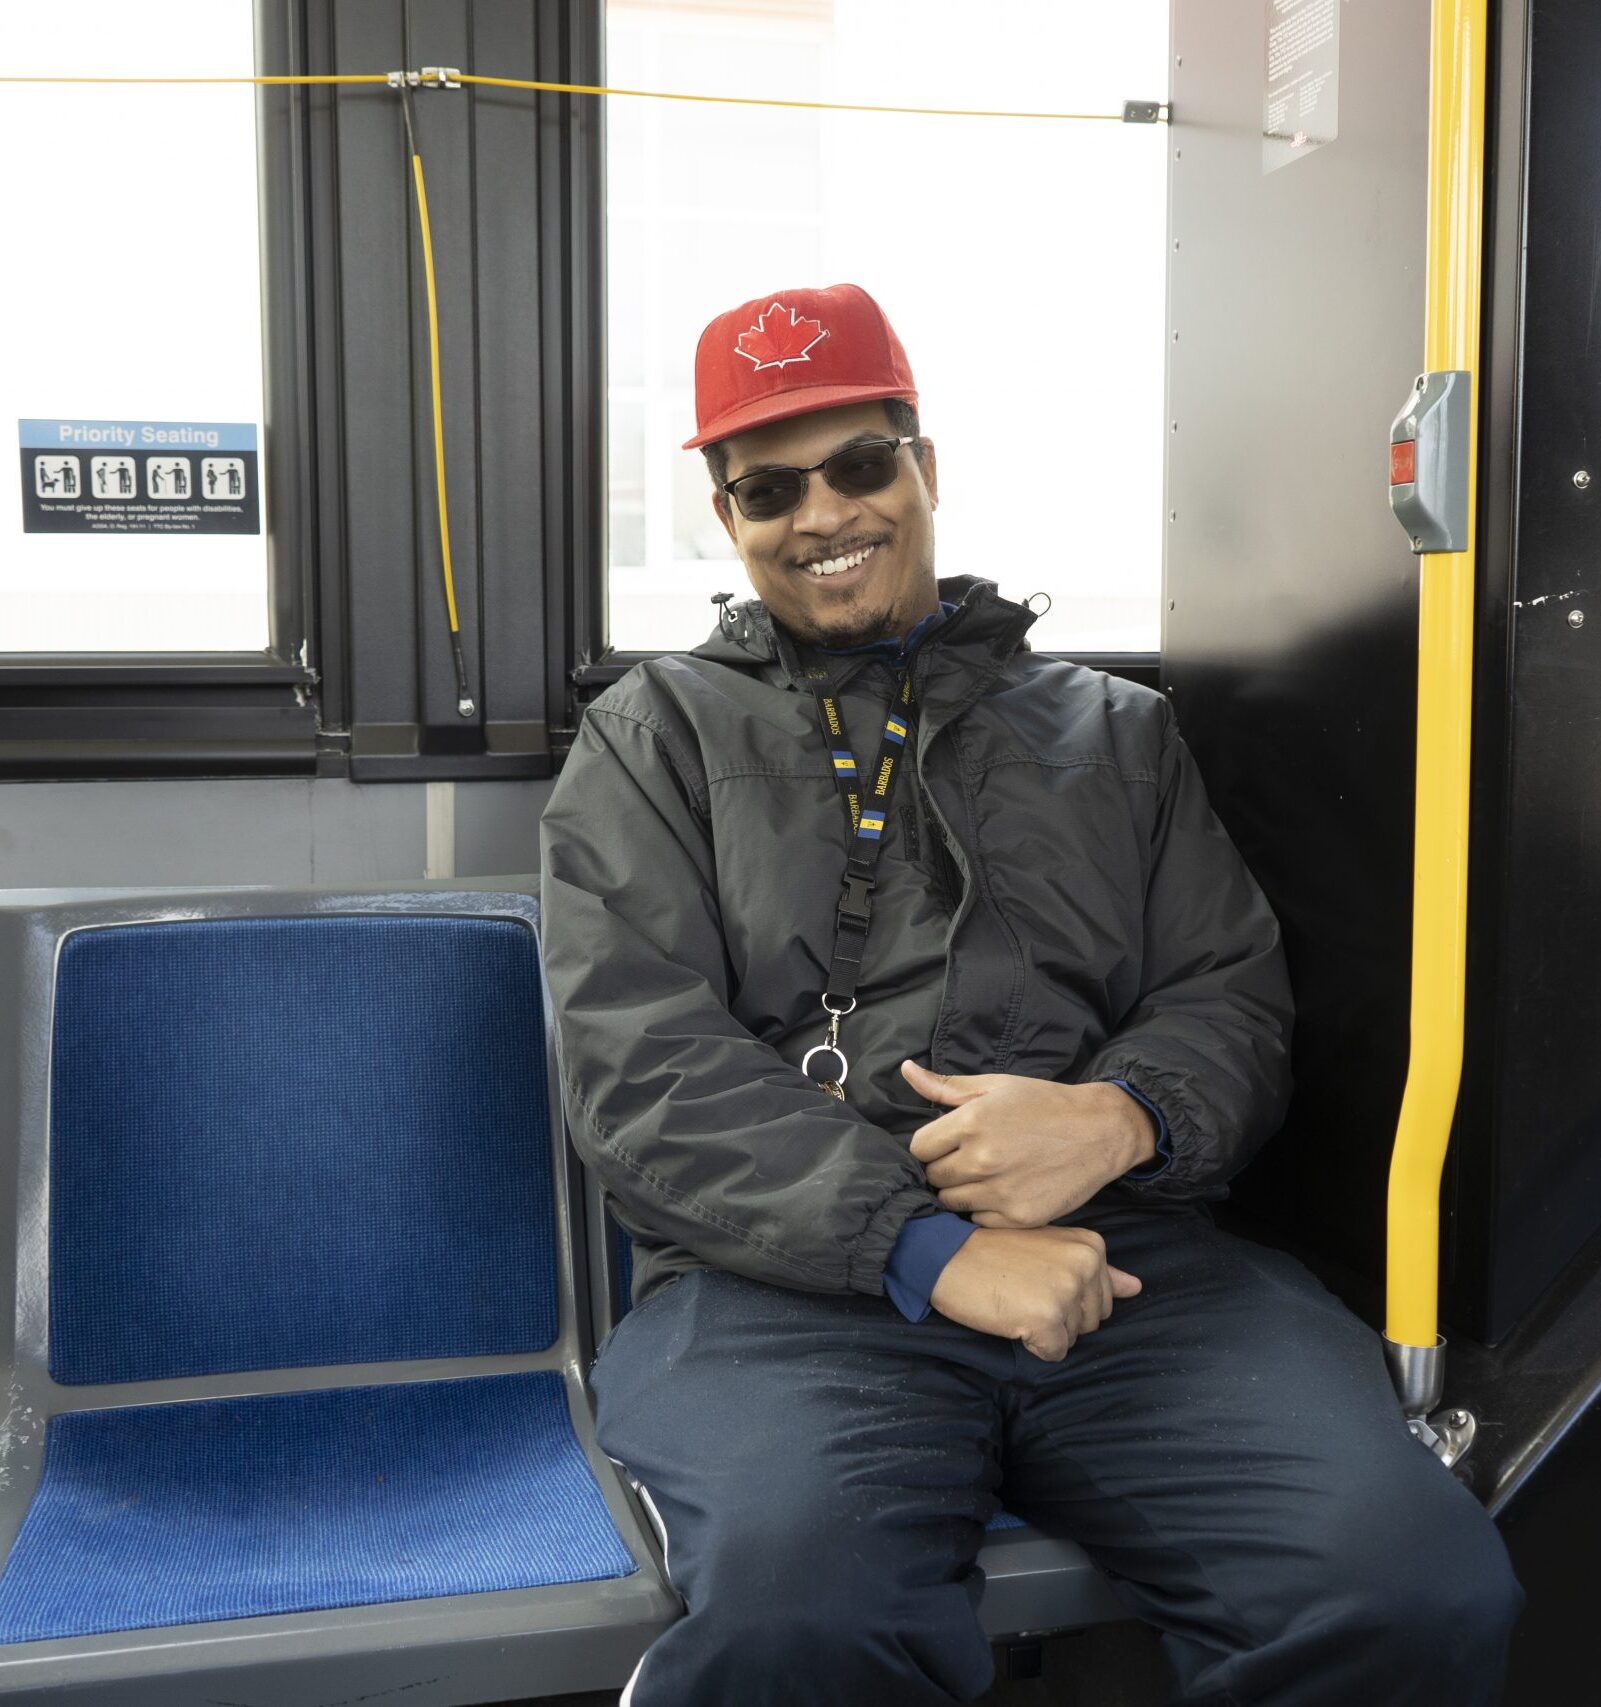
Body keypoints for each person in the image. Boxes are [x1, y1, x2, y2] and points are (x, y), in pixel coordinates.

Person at [539, 282, 1521, 1706]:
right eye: (769, 488)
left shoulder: (1116, 734)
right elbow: (642, 1070)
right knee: (795, 1629)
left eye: (860, 464)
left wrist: (1122, 1120)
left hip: (1136, 1266)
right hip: (782, 1287)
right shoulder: (654, 740)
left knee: (1410, 1592)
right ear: (728, 514)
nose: (823, 515)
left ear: (924, 466)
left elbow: (1228, 998)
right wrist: (925, 1252)